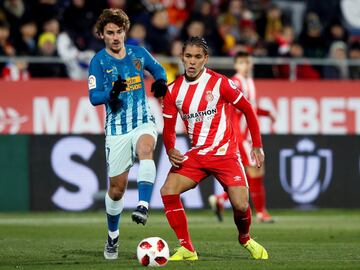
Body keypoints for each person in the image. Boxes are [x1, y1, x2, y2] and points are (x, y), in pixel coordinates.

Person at [161, 36, 268, 261]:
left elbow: (248, 109)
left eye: (197, 57)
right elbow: (169, 129)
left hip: (226, 154)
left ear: (205, 59)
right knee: (168, 190)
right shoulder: (172, 91)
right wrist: (170, 149)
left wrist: (257, 145)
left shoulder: (220, 83)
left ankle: (245, 237)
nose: (192, 61)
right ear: (182, 57)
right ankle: (187, 248)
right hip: (198, 155)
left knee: (240, 205)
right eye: (188, 56)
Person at [87, 8, 167, 260]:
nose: (115, 36)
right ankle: (112, 237)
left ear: (125, 31)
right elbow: (93, 97)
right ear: (102, 35)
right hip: (117, 130)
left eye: (119, 31)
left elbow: (159, 70)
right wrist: (110, 94)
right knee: (117, 190)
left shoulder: (138, 53)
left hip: (143, 120)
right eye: (110, 32)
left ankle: (143, 205)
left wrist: (161, 81)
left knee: (146, 150)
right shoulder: (98, 61)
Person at [208, 51, 275, 223]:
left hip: (246, 136)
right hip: (241, 136)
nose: (246, 65)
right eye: (242, 62)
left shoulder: (249, 82)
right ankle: (261, 213)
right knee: (256, 171)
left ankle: (221, 199)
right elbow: (234, 109)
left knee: (248, 174)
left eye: (248, 62)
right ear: (236, 65)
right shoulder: (236, 82)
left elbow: (248, 107)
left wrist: (266, 113)